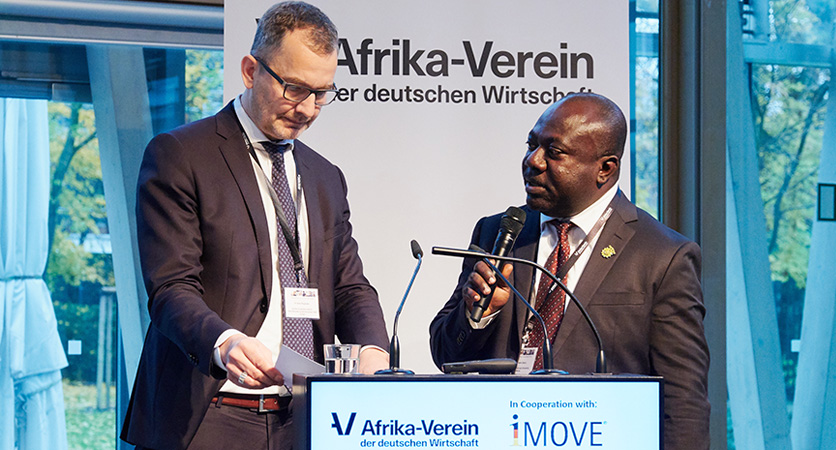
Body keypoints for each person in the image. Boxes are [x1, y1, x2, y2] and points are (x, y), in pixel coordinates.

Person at [121, 2, 390, 449]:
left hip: (304, 419)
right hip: (208, 416)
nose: (308, 109)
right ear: (250, 71)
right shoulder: (181, 155)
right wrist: (224, 343)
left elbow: (349, 287)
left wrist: (373, 351)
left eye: (322, 93)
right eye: (294, 88)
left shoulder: (325, 177)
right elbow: (170, 288)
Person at [429, 92, 710, 448]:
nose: (533, 161)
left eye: (554, 152)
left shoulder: (662, 256)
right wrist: (477, 315)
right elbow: (446, 354)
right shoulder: (499, 232)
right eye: (531, 145)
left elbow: (683, 403)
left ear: (605, 168)